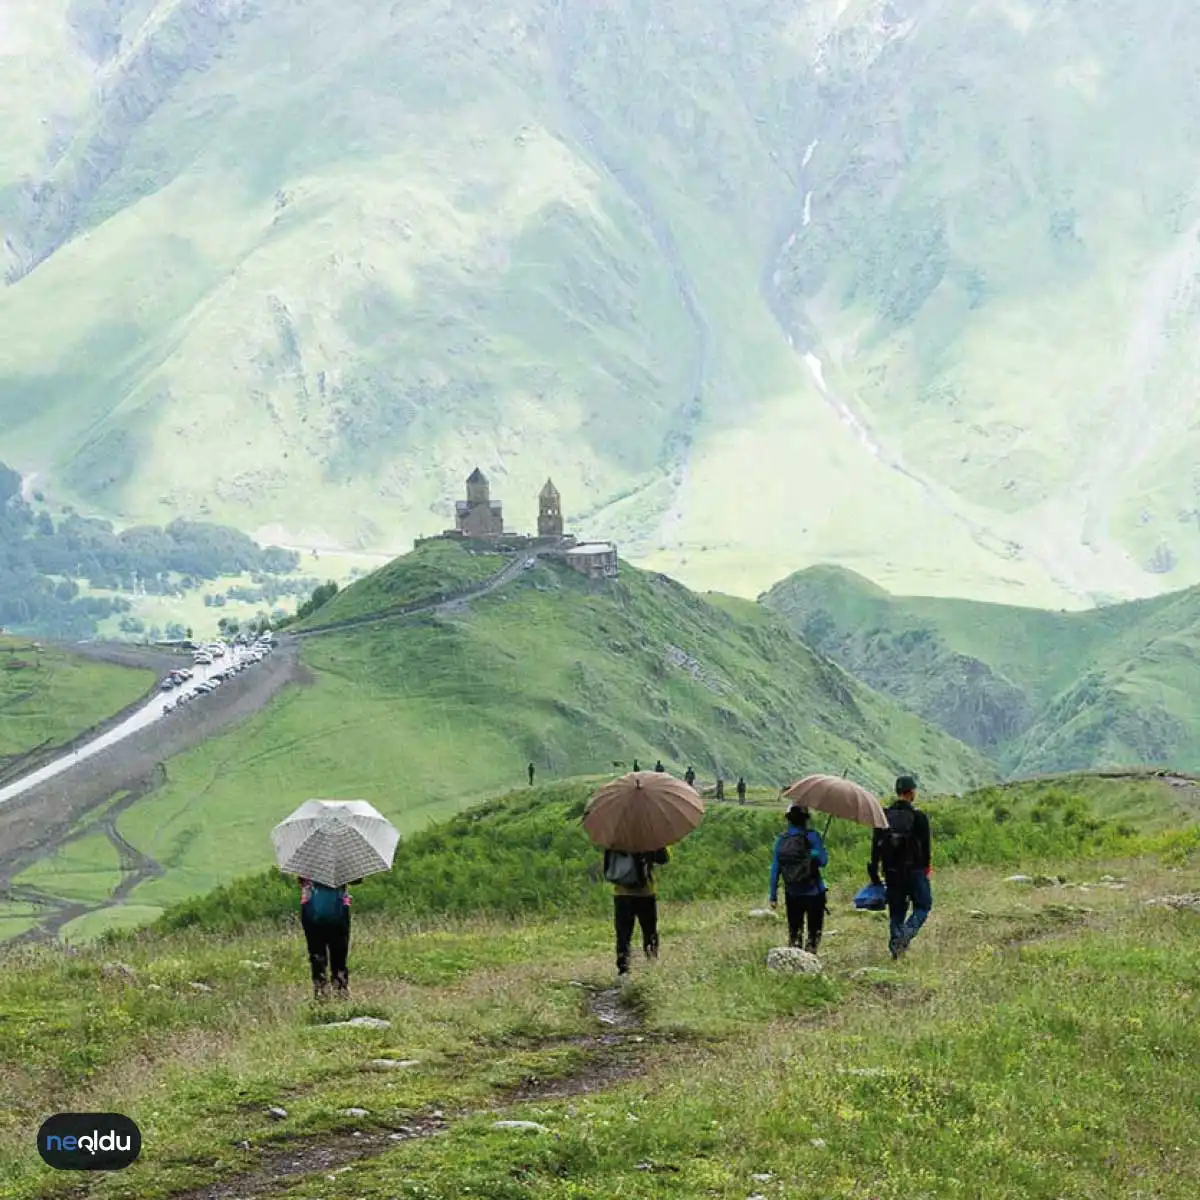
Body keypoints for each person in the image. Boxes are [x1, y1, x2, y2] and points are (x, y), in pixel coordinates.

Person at [869, 775, 933, 959]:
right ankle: (904, 936)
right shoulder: (919, 817)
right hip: (915, 870)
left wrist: (875, 871)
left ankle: (896, 947)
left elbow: (875, 848)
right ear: (912, 792)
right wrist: (926, 868)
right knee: (923, 905)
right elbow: (926, 848)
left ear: (897, 792)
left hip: (891, 871)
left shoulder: (884, 815)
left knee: (896, 911)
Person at [768, 804, 829, 953]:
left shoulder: (781, 841)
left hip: (792, 893)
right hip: (814, 892)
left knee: (794, 933)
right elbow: (823, 862)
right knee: (814, 934)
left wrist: (773, 896)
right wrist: (817, 852)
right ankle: (811, 959)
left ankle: (795, 960)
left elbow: (775, 869)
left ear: (789, 820)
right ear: (805, 820)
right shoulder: (813, 836)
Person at [604, 846, 670, 975]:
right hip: (645, 893)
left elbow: (609, 865)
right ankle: (652, 964)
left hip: (622, 894)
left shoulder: (616, 839)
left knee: (623, 934)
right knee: (649, 931)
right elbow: (663, 859)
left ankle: (623, 970)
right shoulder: (648, 839)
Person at [298, 875, 362, 1000]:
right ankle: (341, 992)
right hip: (339, 914)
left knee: (316, 954)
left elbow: (301, 881)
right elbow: (357, 880)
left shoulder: (306, 860)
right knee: (339, 955)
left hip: (311, 914)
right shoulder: (342, 860)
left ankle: (321, 992)